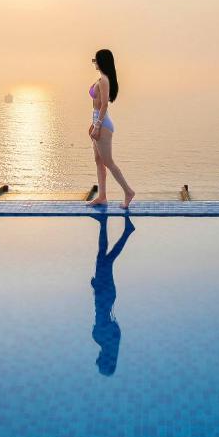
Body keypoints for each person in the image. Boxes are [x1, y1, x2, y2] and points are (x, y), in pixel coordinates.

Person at [87, 49, 135, 208]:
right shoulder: (101, 79)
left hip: (104, 125)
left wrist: (98, 126)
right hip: (98, 123)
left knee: (108, 162)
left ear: (102, 61)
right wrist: (93, 124)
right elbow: (96, 105)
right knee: (98, 161)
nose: (94, 62)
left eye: (96, 60)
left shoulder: (104, 81)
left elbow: (105, 104)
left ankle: (128, 192)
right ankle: (102, 196)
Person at [91, 214, 134, 375]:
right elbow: (104, 316)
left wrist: (95, 289)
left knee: (103, 257)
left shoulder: (106, 341)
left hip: (104, 294)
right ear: (106, 361)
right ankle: (124, 230)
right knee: (105, 259)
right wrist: (99, 290)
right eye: (99, 363)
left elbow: (101, 313)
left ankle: (106, 224)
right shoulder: (106, 341)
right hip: (105, 294)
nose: (96, 361)